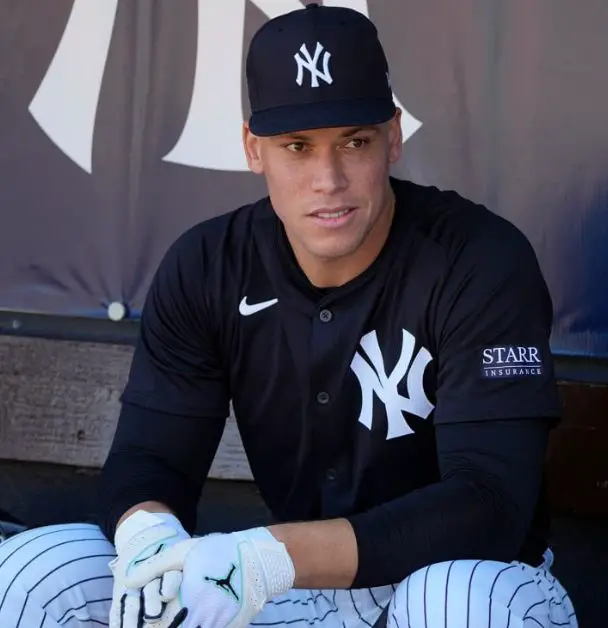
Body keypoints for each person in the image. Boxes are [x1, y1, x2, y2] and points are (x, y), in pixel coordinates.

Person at [0, 4, 577, 627]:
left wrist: (268, 556)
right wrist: (153, 542)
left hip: (460, 584)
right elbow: (151, 460)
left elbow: (489, 507)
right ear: (254, 148)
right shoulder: (209, 264)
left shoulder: (477, 259)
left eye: (353, 141)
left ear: (393, 136)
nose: (328, 179)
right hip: (293, 591)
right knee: (39, 569)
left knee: (461, 605)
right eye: (296, 146)